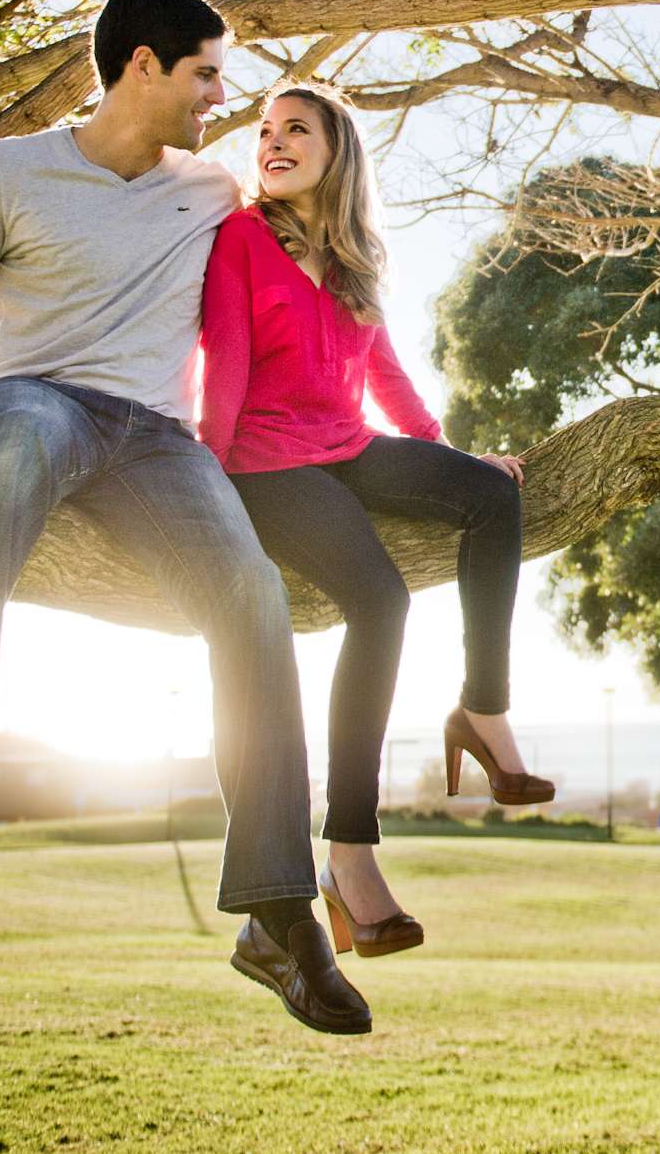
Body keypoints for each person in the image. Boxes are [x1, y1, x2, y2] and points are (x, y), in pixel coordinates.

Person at [0, 0, 370, 1035]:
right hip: (28, 404)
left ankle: (280, 914)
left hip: (153, 438)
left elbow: (312, 231)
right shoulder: (8, 171)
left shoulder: (208, 189)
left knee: (251, 590)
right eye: (206, 73)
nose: (220, 97)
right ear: (144, 66)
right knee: (17, 448)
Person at [198, 86, 550, 960]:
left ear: (336, 150)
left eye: (295, 129)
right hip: (267, 464)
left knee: (493, 496)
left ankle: (483, 711)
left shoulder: (353, 259)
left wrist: (450, 455)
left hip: (347, 444)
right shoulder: (242, 238)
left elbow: (383, 373)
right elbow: (225, 371)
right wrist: (199, 482)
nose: (273, 142)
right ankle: (348, 852)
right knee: (381, 601)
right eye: (266, 132)